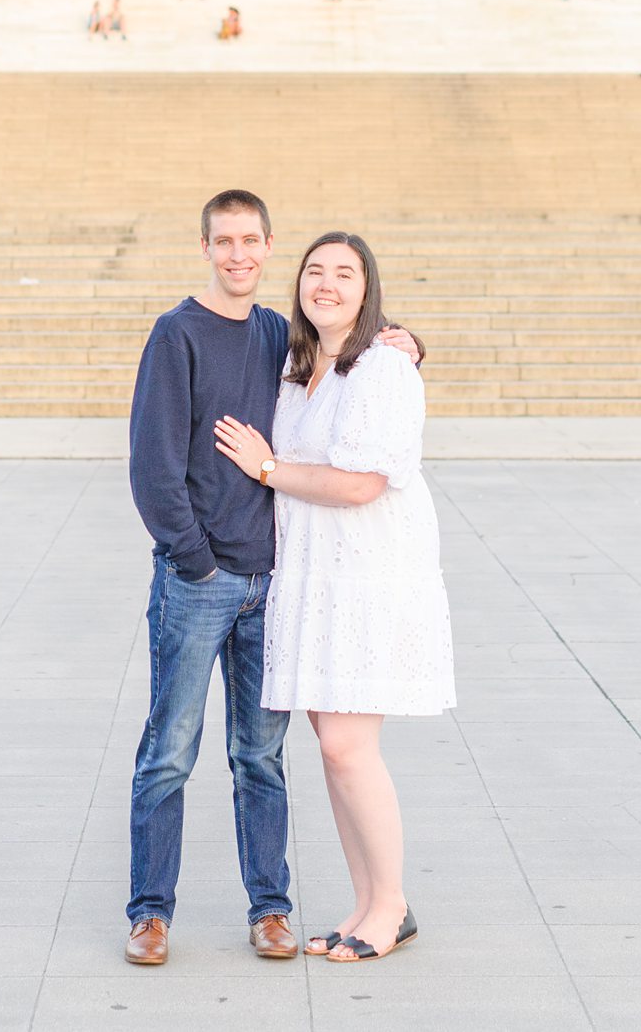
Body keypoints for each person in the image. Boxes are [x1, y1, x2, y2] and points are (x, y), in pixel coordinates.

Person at [124, 193, 420, 969]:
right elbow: (153, 468)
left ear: (266, 246)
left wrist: (406, 342)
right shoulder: (176, 333)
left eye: (251, 240)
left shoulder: (277, 338)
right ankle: (151, 913)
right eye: (224, 241)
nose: (238, 254)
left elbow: (357, 358)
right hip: (201, 579)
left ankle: (271, 908)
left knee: (261, 755)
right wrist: (197, 559)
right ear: (205, 247)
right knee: (170, 750)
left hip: (275, 585)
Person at [210, 231, 454, 965]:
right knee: (334, 745)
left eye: (345, 273)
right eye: (315, 270)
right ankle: (366, 901)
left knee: (350, 745)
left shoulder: (382, 366)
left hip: (368, 570)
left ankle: (394, 905)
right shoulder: (299, 366)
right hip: (315, 572)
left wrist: (268, 468)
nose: (327, 283)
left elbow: (361, 483)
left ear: (367, 288)